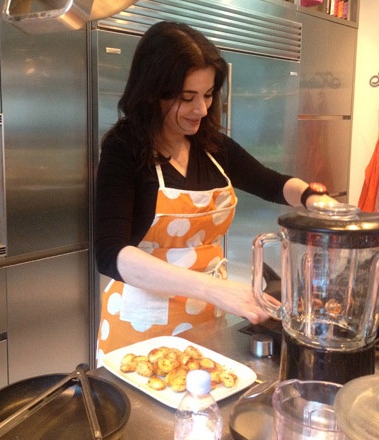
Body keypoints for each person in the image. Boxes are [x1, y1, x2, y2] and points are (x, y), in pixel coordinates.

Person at [94, 21, 335, 362]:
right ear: (152, 93)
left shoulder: (212, 147)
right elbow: (110, 253)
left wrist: (313, 197)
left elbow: (271, 181)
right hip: (139, 328)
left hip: (207, 320)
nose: (202, 110)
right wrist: (213, 288)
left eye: (208, 95)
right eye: (187, 98)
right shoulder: (124, 151)